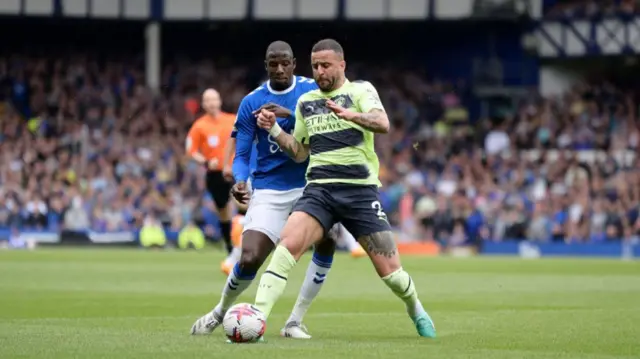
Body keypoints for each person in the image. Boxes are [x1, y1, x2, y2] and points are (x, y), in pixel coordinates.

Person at [251, 39, 436, 338]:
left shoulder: (361, 91)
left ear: (341, 65)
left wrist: (353, 116)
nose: (320, 72)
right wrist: (273, 129)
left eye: (326, 65)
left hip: (360, 193)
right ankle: (257, 319)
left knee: (392, 275)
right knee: (287, 247)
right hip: (319, 191)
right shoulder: (306, 102)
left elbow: (383, 122)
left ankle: (415, 308)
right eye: (315, 66)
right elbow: (300, 152)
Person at [191, 41, 355, 339]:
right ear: (266, 66)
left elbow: (329, 122)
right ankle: (219, 311)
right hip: (269, 189)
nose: (279, 69)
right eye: (273, 64)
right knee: (251, 257)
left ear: (294, 63)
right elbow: (241, 155)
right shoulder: (251, 102)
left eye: (284, 63)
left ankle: (295, 320)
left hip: (310, 185)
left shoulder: (310, 90)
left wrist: (288, 114)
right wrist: (240, 181)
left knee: (328, 238)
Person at [186, 89, 236, 255]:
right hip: (215, 174)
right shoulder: (200, 126)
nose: (212, 103)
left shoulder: (232, 120)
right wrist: (205, 162)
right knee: (223, 211)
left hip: (236, 170)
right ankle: (230, 247)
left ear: (220, 101)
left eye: (214, 99)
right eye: (208, 100)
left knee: (246, 203)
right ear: (203, 104)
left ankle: (248, 242)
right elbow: (191, 150)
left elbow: (246, 137)